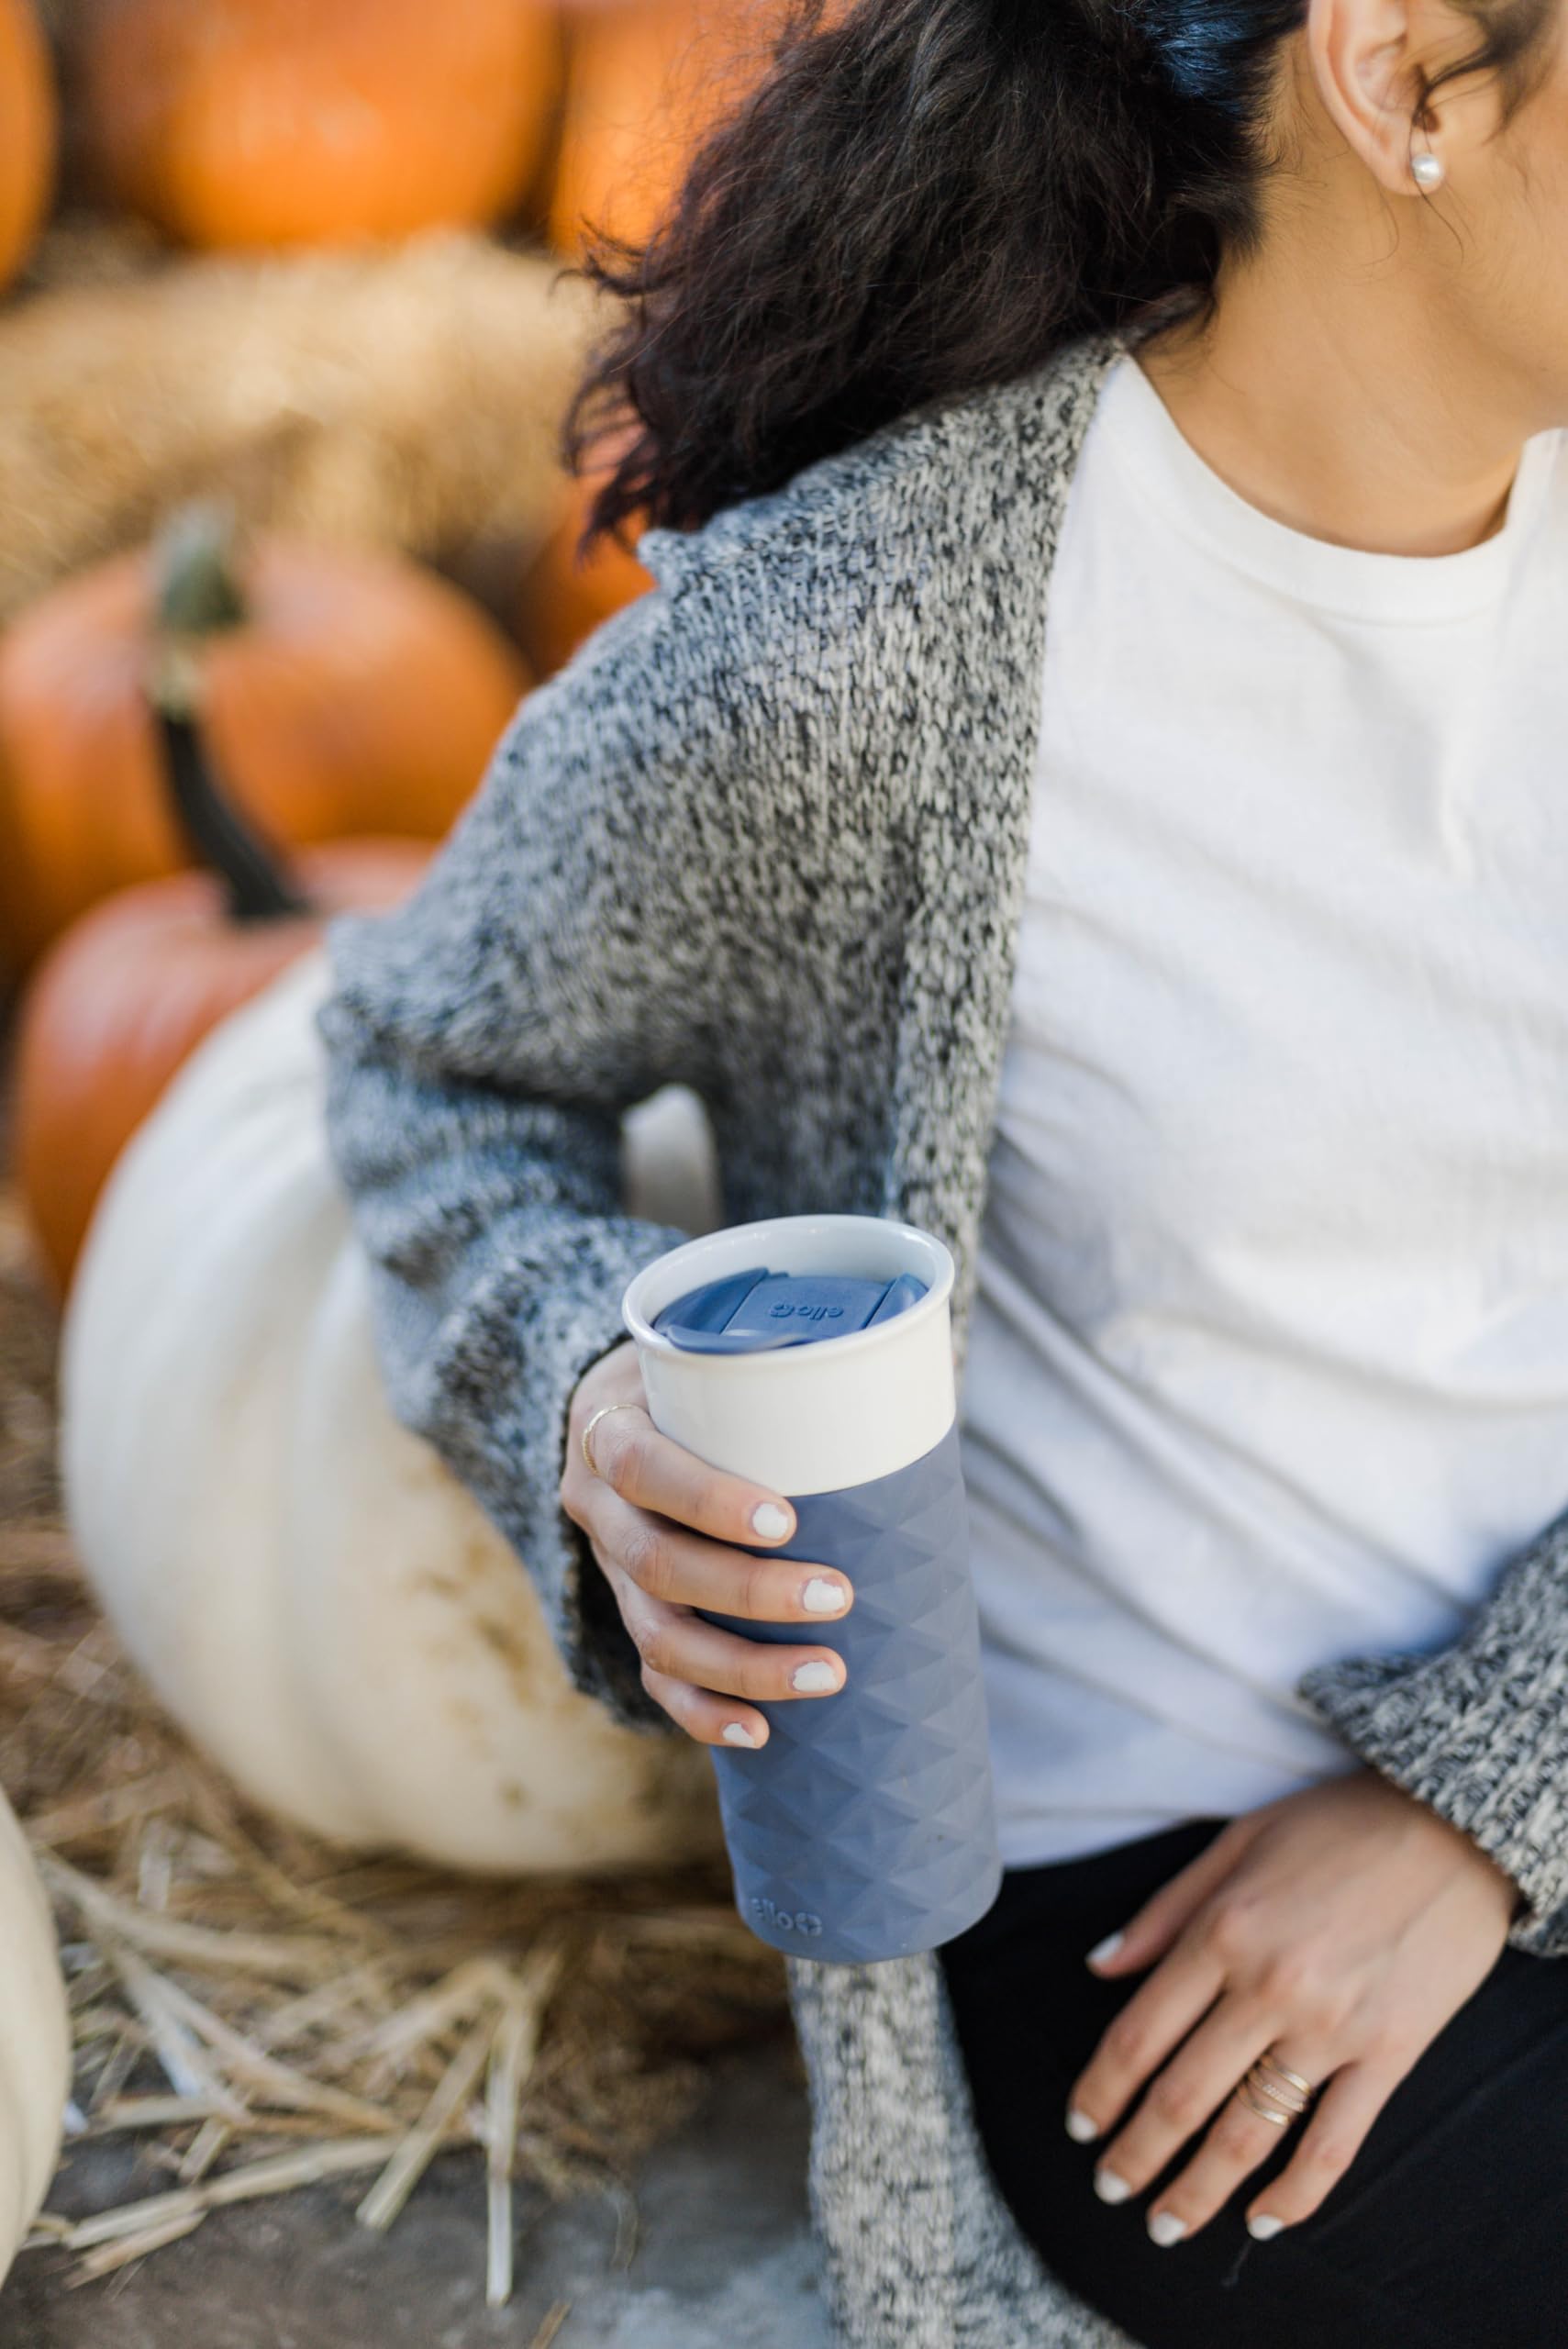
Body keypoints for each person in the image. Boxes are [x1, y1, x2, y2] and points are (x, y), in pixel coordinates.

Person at [317, 0, 1568, 2341]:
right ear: (1406, 75)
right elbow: (427, 1071)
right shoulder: (877, 640)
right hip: (1168, 1929)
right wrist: (587, 1387)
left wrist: (1492, 1794)